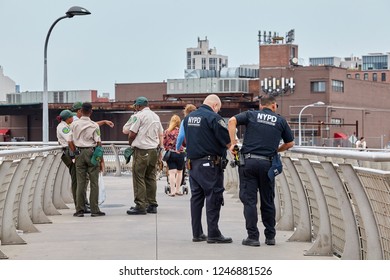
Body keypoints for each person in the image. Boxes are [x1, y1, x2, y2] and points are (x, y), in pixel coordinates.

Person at [227, 95, 294, 247]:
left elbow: (231, 121)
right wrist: (275, 149)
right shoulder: (280, 120)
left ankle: (253, 237)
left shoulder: (251, 115)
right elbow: (290, 143)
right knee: (267, 200)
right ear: (274, 106)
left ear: (260, 106)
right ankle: (270, 236)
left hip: (249, 162)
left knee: (249, 201)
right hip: (267, 164)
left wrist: (233, 143)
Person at [183, 94, 232, 244]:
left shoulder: (188, 118)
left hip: (193, 165)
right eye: (219, 109)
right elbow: (226, 141)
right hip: (210, 165)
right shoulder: (214, 118)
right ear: (215, 105)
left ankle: (197, 233)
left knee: (196, 199)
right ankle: (213, 233)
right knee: (213, 197)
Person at [122, 96, 164, 215]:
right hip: (153, 151)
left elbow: (130, 133)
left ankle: (140, 205)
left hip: (141, 150)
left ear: (139, 106)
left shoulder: (138, 116)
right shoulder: (156, 116)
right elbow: (161, 133)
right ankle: (152, 204)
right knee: (151, 177)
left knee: (138, 177)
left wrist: (131, 144)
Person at [68, 102, 105, 217]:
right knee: (94, 182)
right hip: (91, 152)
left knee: (80, 182)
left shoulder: (73, 125)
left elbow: (69, 141)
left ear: (81, 111)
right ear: (91, 112)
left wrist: (75, 152)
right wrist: (100, 159)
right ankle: (94, 209)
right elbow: (98, 142)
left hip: (79, 152)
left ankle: (79, 210)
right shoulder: (94, 125)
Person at [56, 109, 78, 208]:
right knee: (75, 178)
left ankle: (80, 203)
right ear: (68, 118)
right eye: (71, 117)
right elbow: (70, 139)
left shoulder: (66, 126)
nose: (73, 118)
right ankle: (78, 204)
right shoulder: (62, 127)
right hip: (69, 153)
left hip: (70, 151)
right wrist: (75, 154)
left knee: (77, 178)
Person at [163, 114, 185, 196]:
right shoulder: (181, 131)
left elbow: (164, 143)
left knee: (172, 172)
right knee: (179, 172)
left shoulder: (166, 131)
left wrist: (166, 148)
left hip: (171, 153)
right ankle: (177, 190)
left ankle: (172, 191)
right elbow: (185, 142)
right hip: (180, 153)